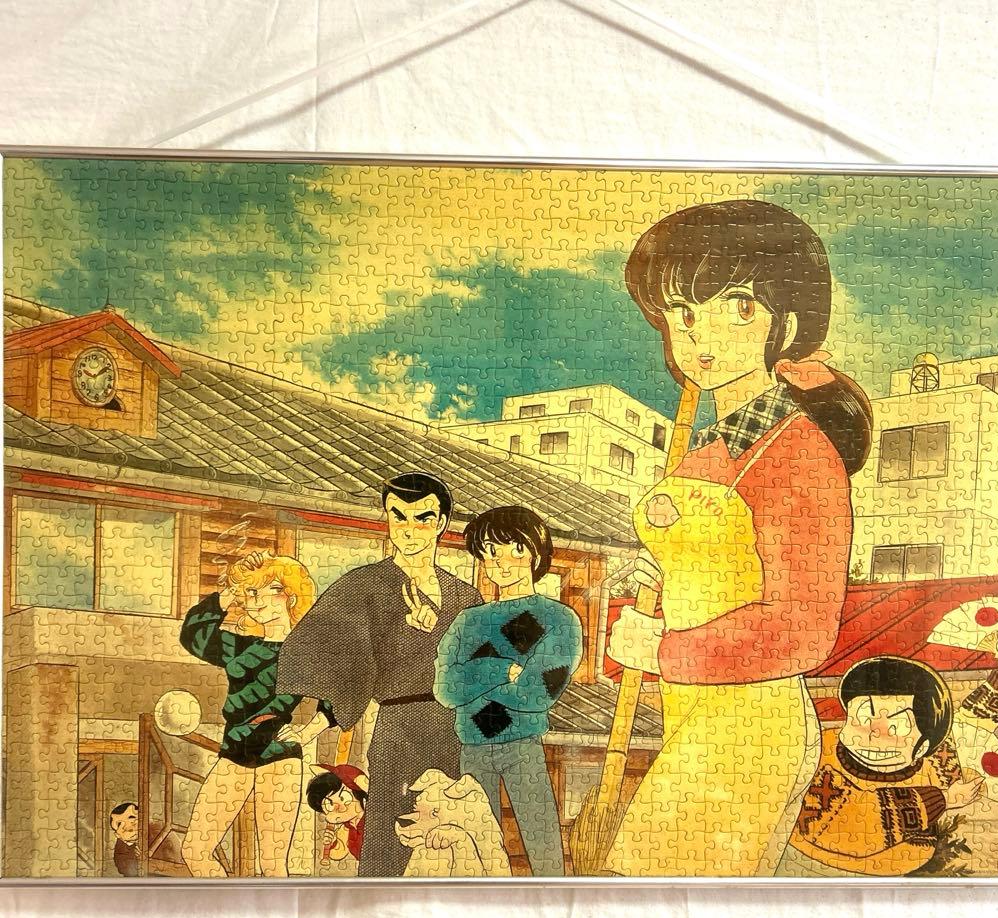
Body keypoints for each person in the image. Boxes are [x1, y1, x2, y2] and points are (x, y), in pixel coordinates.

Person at [605, 199, 873, 876]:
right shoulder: (710, 451)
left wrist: (665, 650)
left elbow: (803, 628)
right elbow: (717, 566)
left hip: (752, 723)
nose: (703, 336)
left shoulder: (800, 455)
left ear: (788, 323)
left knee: (658, 884)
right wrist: (664, 577)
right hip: (690, 711)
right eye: (682, 313)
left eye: (739, 307)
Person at [276, 473, 483, 877]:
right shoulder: (363, 585)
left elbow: (478, 670)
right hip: (398, 725)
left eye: (422, 518)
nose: (409, 529)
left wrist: (436, 632)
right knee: (389, 831)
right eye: (398, 516)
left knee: (450, 832)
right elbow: (348, 667)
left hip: (456, 729)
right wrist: (310, 728)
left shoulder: (466, 597)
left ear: (441, 523)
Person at [780, 634, 998, 876]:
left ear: (923, 747)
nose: (874, 731)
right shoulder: (819, 750)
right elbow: (858, 825)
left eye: (897, 726)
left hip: (902, 876)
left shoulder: (935, 764)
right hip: (812, 867)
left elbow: (970, 727)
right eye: (864, 714)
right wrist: (944, 799)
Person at [434, 506, 582, 876]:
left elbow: (536, 693)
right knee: (478, 851)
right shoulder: (468, 620)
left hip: (523, 747)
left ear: (534, 553)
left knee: (543, 848)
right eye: (490, 551)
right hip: (470, 750)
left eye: (514, 548)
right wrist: (501, 669)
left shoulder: (557, 618)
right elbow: (446, 689)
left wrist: (474, 682)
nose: (501, 561)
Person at [179, 550, 323, 877]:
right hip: (235, 749)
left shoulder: (305, 653)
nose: (252, 601)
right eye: (250, 593)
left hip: (279, 755)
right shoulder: (241, 647)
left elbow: (340, 693)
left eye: (260, 591)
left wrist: (307, 732)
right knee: (195, 852)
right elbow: (193, 635)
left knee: (272, 865)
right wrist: (229, 592)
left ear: (289, 596)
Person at [306, 765, 368, 865]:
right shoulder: (346, 828)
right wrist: (333, 842)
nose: (339, 807)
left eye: (343, 798)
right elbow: (337, 854)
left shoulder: (374, 818)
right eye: (330, 805)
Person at [109, 802, 140, 877]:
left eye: (131, 817)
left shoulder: (154, 833)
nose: (128, 825)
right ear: (118, 834)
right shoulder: (121, 846)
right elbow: (124, 869)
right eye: (120, 824)